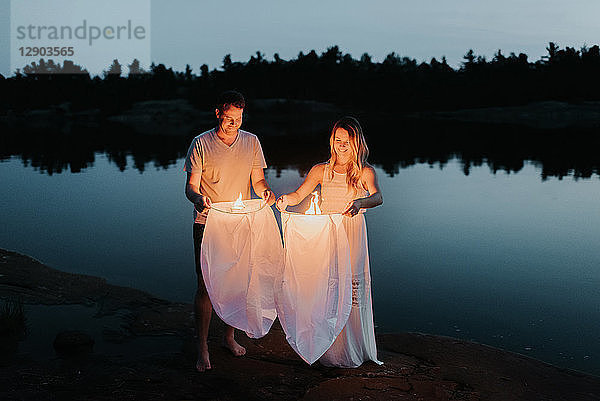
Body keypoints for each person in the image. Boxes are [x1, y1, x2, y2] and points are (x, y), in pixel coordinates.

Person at [276, 116, 383, 367]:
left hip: (351, 233)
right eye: (338, 140)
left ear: (356, 143)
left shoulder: (364, 171)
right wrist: (285, 200)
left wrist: (360, 203)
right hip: (326, 235)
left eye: (347, 141)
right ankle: (327, 348)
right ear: (332, 141)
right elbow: (299, 194)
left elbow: (377, 197)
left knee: (351, 289)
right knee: (328, 287)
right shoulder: (320, 170)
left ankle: (351, 349)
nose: (342, 145)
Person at [184, 90, 275, 372]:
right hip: (208, 223)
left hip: (240, 222)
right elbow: (191, 187)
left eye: (239, 118)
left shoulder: (252, 142)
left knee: (236, 282)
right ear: (218, 113)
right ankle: (202, 347)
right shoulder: (200, 144)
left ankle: (228, 337)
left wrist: (266, 193)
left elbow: (258, 181)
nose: (234, 123)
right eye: (229, 118)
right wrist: (199, 199)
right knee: (206, 286)